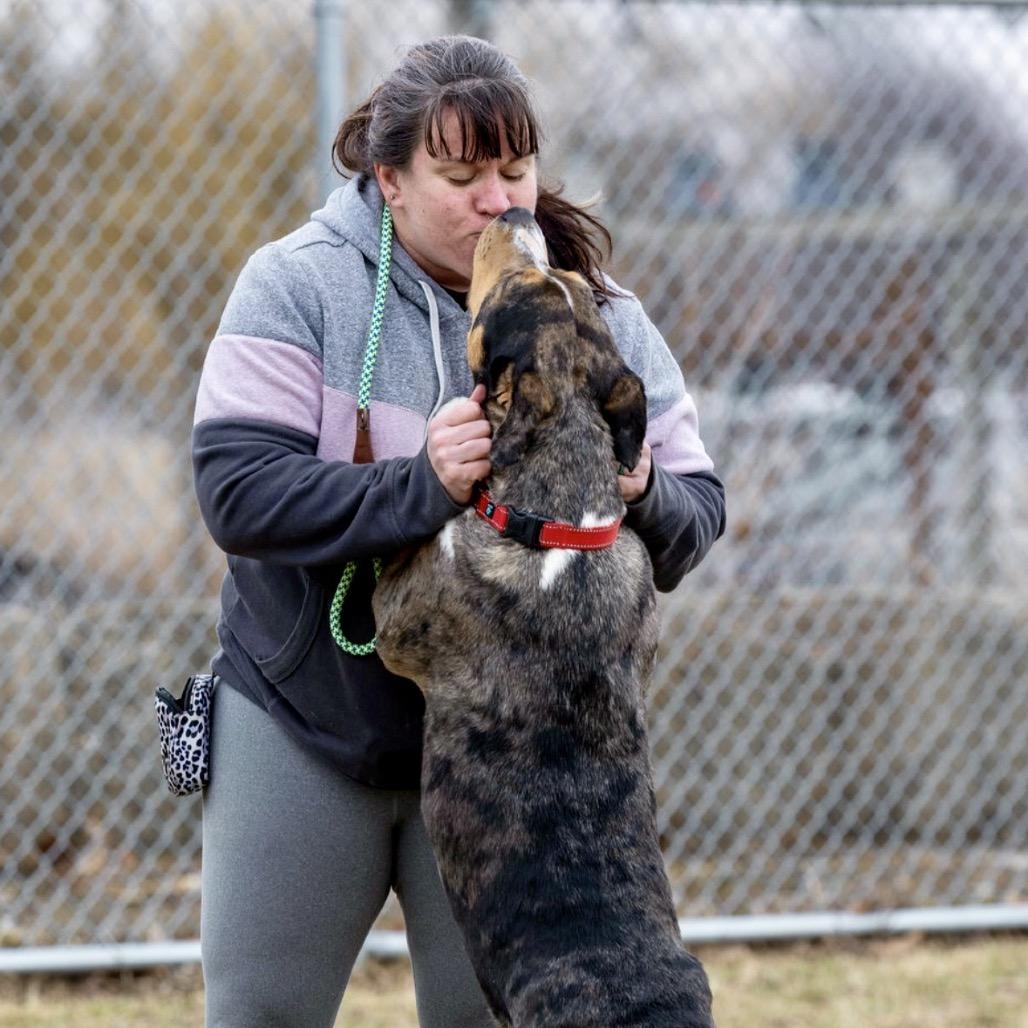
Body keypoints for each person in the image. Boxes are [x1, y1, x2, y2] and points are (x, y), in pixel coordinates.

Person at [192, 34, 726, 1028]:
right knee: (261, 1011)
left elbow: (697, 516)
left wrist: (642, 484)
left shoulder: (588, 312)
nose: (497, 200)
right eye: (461, 175)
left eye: (514, 170)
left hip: (514, 760)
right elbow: (236, 491)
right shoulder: (297, 284)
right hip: (313, 722)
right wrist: (418, 484)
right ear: (386, 178)